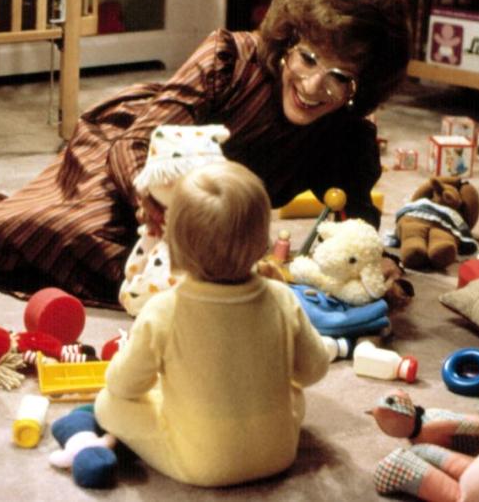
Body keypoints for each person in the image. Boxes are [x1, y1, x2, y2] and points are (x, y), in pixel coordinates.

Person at [0, 0, 410, 304]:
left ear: (361, 86)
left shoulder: (345, 135)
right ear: (288, 42)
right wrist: (161, 209)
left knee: (185, 285)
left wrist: (381, 266)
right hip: (129, 159)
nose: (313, 86)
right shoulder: (229, 56)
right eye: (307, 59)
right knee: (70, 230)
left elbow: (357, 218)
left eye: (339, 77)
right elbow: (137, 144)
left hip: (205, 218)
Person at [94, 160, 331, 486]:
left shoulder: (162, 310)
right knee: (291, 391)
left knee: (108, 403)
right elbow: (313, 370)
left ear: (173, 244)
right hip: (279, 453)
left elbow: (124, 385)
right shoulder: (282, 297)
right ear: (261, 241)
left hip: (202, 465)